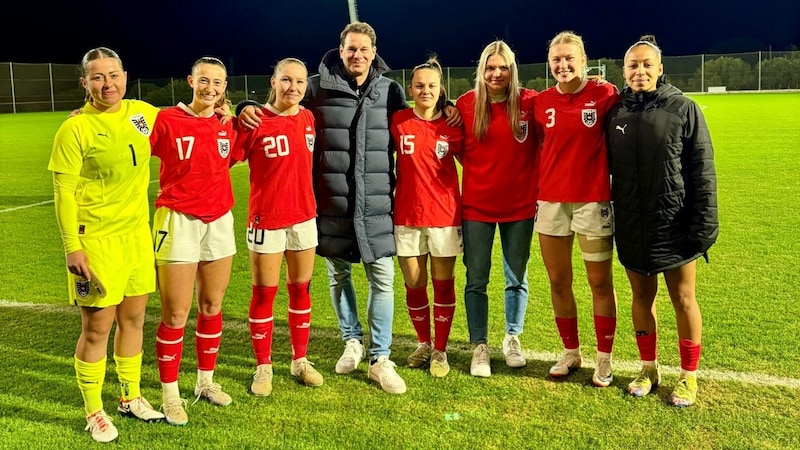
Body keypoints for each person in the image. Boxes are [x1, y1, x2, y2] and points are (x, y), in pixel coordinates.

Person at [238, 22, 460, 394]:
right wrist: (247, 105)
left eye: (364, 49)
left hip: (376, 204)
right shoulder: (315, 86)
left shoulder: (388, 90)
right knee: (338, 276)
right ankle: (352, 341)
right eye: (350, 49)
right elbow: (281, 106)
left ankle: (380, 357)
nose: (357, 55)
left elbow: (418, 116)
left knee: (383, 279)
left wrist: (448, 104)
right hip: (330, 202)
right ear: (340, 50)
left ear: (374, 52)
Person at [48, 47, 165, 443]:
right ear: (84, 83)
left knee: (133, 320)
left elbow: (187, 125)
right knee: (98, 327)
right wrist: (72, 247)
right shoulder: (75, 128)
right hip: (95, 240)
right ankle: (93, 410)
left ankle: (130, 396)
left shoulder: (141, 114)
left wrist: (232, 110)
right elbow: (62, 191)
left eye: (113, 75)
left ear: (125, 75)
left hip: (136, 236)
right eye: (97, 77)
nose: (107, 83)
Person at [606, 35, 718, 407]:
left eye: (646, 65)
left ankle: (689, 376)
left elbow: (703, 171)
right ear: (623, 71)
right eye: (633, 65)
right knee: (641, 296)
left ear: (660, 69)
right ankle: (648, 368)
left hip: (674, 224)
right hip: (632, 224)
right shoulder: (616, 111)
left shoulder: (683, 108)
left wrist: (703, 226)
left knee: (684, 298)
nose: (639, 71)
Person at [149, 56, 239, 425]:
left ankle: (205, 382)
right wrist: (87, 113)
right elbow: (128, 135)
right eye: (204, 81)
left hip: (219, 221)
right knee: (174, 312)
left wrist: (237, 114)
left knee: (212, 304)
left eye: (218, 83)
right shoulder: (166, 119)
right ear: (190, 80)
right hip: (177, 220)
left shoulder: (226, 125)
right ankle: (170, 394)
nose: (211, 89)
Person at [532, 31, 619, 387]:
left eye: (570, 58)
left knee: (599, 282)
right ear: (549, 63)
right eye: (557, 59)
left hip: (592, 199)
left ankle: (603, 358)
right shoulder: (540, 102)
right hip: (551, 202)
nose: (563, 65)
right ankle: (571, 351)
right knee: (558, 280)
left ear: (584, 61)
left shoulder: (605, 94)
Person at [233, 57, 323, 397]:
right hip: (266, 219)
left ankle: (300, 360)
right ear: (273, 81)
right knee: (264, 294)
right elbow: (226, 153)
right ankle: (263, 366)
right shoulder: (255, 121)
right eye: (286, 80)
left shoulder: (308, 118)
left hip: (304, 217)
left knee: (301, 289)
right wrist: (240, 111)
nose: (294, 88)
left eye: (300, 82)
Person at [455, 40, 538, 378]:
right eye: (490, 67)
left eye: (503, 67)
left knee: (516, 277)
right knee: (476, 279)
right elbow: (458, 149)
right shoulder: (465, 105)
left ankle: (513, 337)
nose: (497, 73)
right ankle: (479, 346)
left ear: (512, 70)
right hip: (476, 207)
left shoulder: (530, 102)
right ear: (482, 70)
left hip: (520, 208)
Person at [390, 56, 464, 378]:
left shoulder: (453, 124)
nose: (425, 90)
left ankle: (440, 350)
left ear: (440, 90)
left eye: (432, 86)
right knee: (415, 283)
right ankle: (423, 342)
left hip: (445, 216)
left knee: (443, 284)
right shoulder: (398, 121)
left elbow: (475, 161)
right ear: (410, 88)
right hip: (406, 215)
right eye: (419, 85)